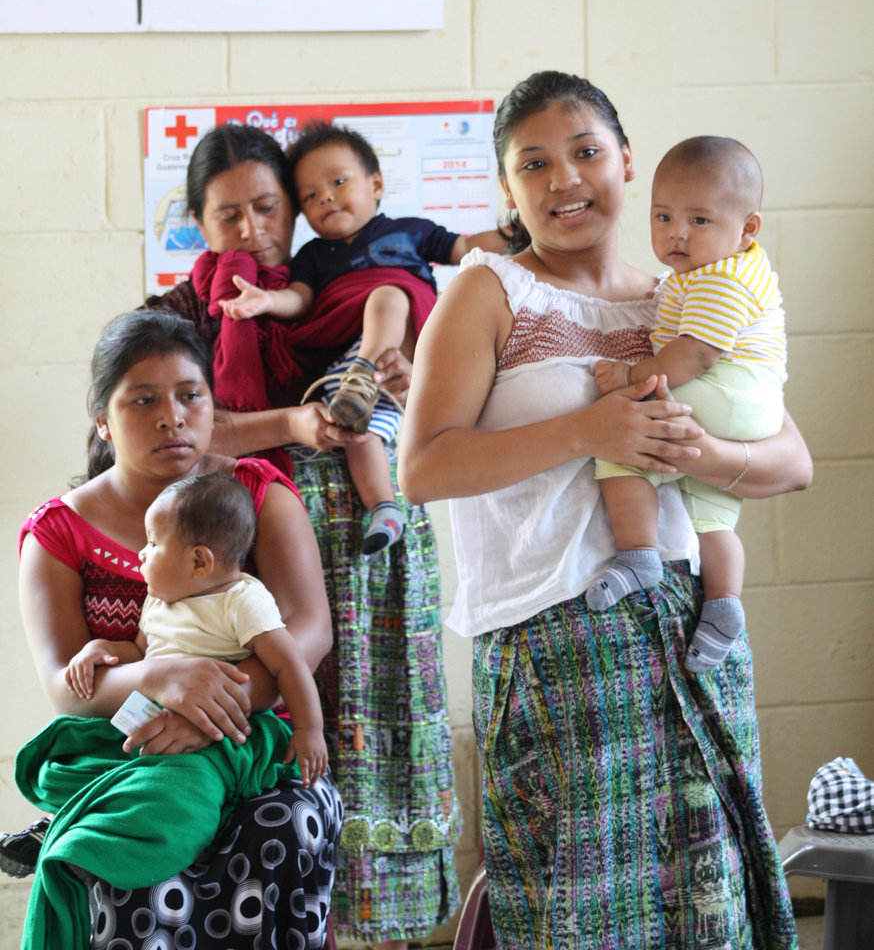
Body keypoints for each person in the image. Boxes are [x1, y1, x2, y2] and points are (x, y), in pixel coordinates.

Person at [398, 70, 811, 949]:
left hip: (695, 631)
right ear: (506, 189)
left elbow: (792, 461)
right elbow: (423, 468)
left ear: (626, 160)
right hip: (555, 650)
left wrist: (704, 454)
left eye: (586, 151)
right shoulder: (489, 291)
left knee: (710, 910)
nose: (564, 179)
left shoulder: (687, 291)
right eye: (533, 164)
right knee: (576, 918)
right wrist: (591, 429)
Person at [147, 122, 462, 950]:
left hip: (371, 541)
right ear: (197, 221)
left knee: (379, 716)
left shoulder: (339, 290)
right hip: (246, 552)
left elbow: (437, 404)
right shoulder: (180, 316)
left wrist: (405, 377)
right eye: (228, 215)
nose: (252, 230)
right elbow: (180, 437)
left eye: (268, 208)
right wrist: (289, 422)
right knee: (269, 727)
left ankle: (388, 928)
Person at [14, 309, 343, 949]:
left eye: (190, 395)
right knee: (123, 864)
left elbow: (310, 628)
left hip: (253, 741)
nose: (172, 416)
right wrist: (163, 677)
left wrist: (212, 712)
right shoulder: (59, 533)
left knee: (284, 829)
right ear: (103, 420)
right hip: (127, 746)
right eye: (143, 400)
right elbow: (63, 685)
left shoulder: (254, 494)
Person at [214, 121, 504, 554]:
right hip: (347, 373)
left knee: (389, 294)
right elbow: (300, 299)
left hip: (392, 361)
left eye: (338, 182)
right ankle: (383, 508)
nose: (326, 197)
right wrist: (266, 300)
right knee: (359, 435)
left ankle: (363, 376)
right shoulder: (313, 256)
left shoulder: (410, 230)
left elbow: (465, 248)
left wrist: (523, 231)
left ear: (376, 184)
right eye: (310, 195)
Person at [586, 136, 786, 672]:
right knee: (713, 516)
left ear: (747, 229)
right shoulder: (721, 269)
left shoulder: (719, 279)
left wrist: (631, 376)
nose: (677, 232)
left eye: (699, 220)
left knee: (624, 442)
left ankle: (638, 556)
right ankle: (723, 604)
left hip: (727, 388)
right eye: (664, 216)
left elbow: (695, 353)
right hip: (747, 405)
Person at [66, 471, 329, 784]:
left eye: (153, 543)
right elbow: (138, 651)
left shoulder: (241, 602)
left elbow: (289, 663)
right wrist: (101, 650)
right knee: (64, 747)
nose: (141, 553)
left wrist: (309, 729)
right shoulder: (158, 601)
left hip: (217, 732)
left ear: (199, 562)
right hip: (150, 716)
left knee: (177, 790)